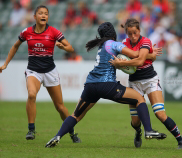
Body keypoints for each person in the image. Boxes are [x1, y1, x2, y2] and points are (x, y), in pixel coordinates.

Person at [45, 22, 166, 148]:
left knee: (76, 115)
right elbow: (136, 55)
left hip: (90, 85)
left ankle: (57, 136)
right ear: (112, 33)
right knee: (139, 99)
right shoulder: (113, 44)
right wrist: (151, 53)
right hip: (107, 85)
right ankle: (148, 130)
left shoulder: (101, 45)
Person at [0, 5, 81, 143]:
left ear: (47, 17)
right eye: (40, 13)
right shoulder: (26, 32)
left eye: (46, 14)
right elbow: (15, 46)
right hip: (33, 70)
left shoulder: (54, 32)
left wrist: (63, 47)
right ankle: (31, 129)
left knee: (60, 107)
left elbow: (71, 48)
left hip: (50, 71)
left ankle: (72, 132)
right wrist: (6, 64)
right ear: (35, 16)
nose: (43, 15)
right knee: (31, 94)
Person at [109, 18, 182, 149]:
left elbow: (140, 62)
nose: (133, 36)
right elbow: (139, 58)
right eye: (129, 34)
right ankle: (138, 132)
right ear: (126, 34)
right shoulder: (124, 43)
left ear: (139, 30)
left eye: (135, 32)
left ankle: (181, 141)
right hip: (134, 83)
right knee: (135, 121)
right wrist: (149, 55)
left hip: (150, 80)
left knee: (160, 114)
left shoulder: (146, 41)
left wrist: (123, 63)